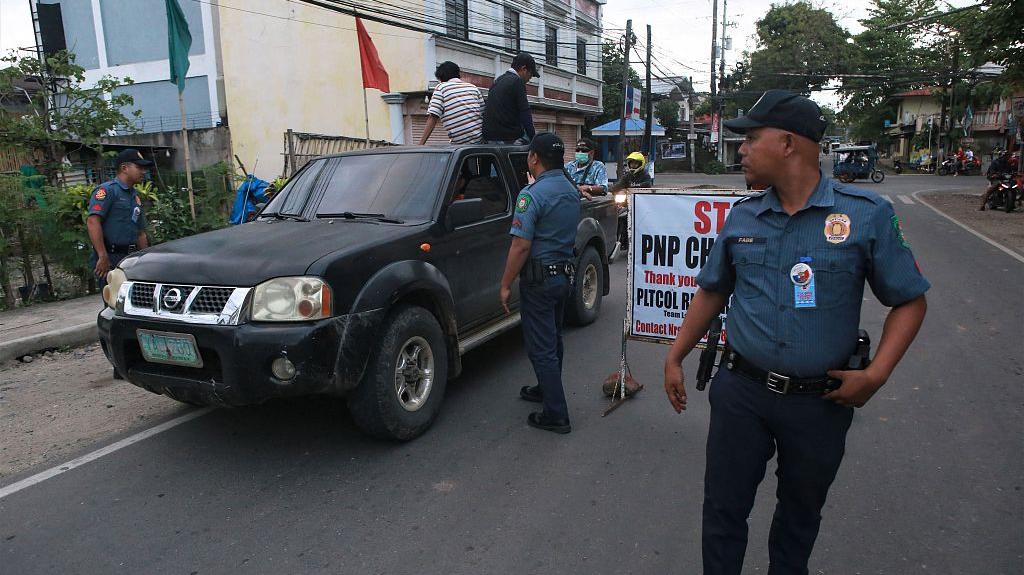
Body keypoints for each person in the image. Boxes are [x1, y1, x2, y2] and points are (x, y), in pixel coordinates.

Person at [662, 90, 930, 575]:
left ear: (788, 143)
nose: (741, 149)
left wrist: (877, 375)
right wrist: (674, 356)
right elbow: (712, 291)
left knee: (798, 520)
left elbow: (909, 300)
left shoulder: (864, 215)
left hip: (819, 403)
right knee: (722, 513)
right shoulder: (744, 216)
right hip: (741, 393)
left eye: (751, 138)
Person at [499, 133, 580, 434]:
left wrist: (506, 283)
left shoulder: (531, 195)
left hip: (539, 280)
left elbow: (520, 246)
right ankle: (546, 389)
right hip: (563, 276)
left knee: (541, 347)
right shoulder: (571, 190)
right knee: (553, 339)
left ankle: (556, 414)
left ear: (534, 158)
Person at [88, 148, 152, 380]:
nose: (143, 171)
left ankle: (138, 358)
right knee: (113, 310)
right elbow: (93, 222)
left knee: (136, 310)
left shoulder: (134, 196)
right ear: (125, 167)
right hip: (111, 259)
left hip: (131, 259)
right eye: (139, 167)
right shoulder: (107, 192)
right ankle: (118, 363)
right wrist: (102, 255)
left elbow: (140, 231)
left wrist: (148, 260)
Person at [417, 61, 484, 146]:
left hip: (460, 145)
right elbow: (483, 113)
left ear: (441, 77)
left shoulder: (441, 88)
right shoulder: (473, 88)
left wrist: (420, 144)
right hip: (481, 142)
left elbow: (433, 118)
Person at [481, 53, 538, 145]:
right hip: (507, 137)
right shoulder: (517, 81)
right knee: (531, 137)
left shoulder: (498, 80)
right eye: (530, 74)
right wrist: (534, 139)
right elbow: (525, 113)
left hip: (489, 137)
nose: (530, 79)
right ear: (524, 69)